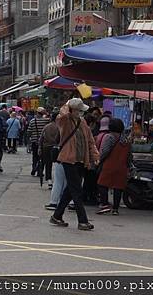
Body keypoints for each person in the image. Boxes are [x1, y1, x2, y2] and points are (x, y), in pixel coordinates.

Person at [50, 98, 99, 231]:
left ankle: (57, 216)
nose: (81, 113)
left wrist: (95, 155)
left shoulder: (82, 123)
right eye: (79, 110)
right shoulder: (65, 121)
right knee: (77, 190)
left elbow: (90, 141)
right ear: (72, 110)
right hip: (68, 160)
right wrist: (68, 105)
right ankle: (83, 221)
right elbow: (61, 116)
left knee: (70, 190)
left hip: (81, 160)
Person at [95, 118, 131, 215]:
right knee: (118, 187)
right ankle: (115, 209)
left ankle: (104, 204)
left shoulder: (109, 137)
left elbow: (105, 151)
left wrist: (99, 160)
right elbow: (129, 155)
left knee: (102, 184)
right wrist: (128, 166)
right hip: (122, 166)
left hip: (109, 165)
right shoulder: (126, 139)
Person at [27, 107, 50, 176]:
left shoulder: (32, 121)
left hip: (34, 141)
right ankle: (39, 171)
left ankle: (34, 167)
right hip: (43, 141)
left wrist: (29, 140)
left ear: (37, 113)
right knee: (42, 157)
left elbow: (29, 132)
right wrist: (46, 113)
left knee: (35, 156)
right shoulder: (46, 121)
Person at [39, 113, 59, 189]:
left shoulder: (46, 127)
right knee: (59, 165)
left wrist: (40, 148)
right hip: (57, 148)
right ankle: (58, 180)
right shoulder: (59, 127)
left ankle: (49, 180)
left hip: (46, 147)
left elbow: (41, 138)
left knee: (48, 164)